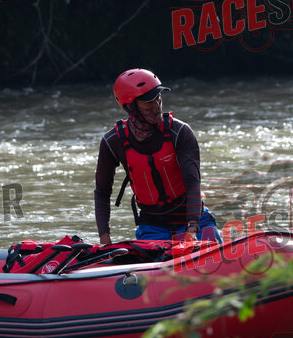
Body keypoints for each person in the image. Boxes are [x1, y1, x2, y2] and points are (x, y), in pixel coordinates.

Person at [94, 68, 222, 245]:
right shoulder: (112, 142)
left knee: (213, 253)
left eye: (158, 98)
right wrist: (105, 239)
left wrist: (192, 229)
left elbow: (193, 184)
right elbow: (102, 192)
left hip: (193, 219)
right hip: (152, 226)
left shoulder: (180, 132)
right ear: (130, 106)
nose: (156, 107)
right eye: (148, 103)